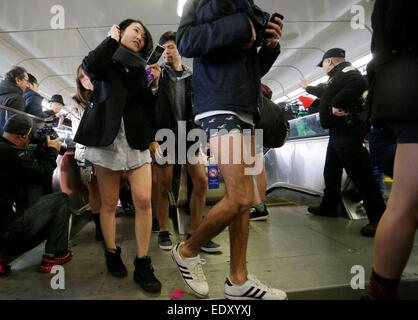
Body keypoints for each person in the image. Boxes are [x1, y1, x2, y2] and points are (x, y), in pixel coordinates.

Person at [172, 0, 287, 299]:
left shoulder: (245, 6)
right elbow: (185, 41)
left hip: (245, 106)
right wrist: (244, 27)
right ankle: (187, 250)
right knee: (241, 196)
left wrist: (269, 46)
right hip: (219, 105)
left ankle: (238, 279)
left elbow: (251, 71)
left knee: (245, 198)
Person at [73, 19, 162, 293]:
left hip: (135, 139)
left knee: (144, 200)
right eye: (136, 30)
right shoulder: (105, 62)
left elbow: (146, 105)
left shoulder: (139, 68)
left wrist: (154, 85)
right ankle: (112, 252)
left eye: (144, 35)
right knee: (109, 203)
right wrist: (110, 40)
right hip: (107, 139)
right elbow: (89, 64)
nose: (141, 37)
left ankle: (143, 261)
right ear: (120, 31)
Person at [362, 0, 418, 300]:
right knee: (405, 203)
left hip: (399, 98)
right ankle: (379, 294)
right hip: (410, 99)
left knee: (404, 204)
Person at [302, 48, 386, 237]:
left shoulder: (348, 72)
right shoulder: (336, 77)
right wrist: (309, 89)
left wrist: (336, 104)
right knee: (331, 171)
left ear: (329, 61)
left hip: (347, 131)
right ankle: (329, 206)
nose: (322, 67)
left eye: (322, 63)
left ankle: (379, 218)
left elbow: (359, 83)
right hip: (337, 132)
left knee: (361, 173)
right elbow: (325, 92)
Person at [152, 30, 221, 253]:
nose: (166, 52)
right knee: (163, 185)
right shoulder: (156, 74)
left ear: (180, 48)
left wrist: (207, 137)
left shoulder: (193, 76)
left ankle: (195, 232)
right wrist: (151, 82)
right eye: (162, 49)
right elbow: (144, 101)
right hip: (165, 134)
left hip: (190, 134)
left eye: (170, 46)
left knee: (200, 181)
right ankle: (163, 230)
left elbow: (203, 107)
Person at [0, 114, 72, 275]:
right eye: (30, 137)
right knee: (61, 200)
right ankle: (54, 255)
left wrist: (40, 153)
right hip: (9, 235)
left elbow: (29, 174)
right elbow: (43, 174)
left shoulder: (5, 151)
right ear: (21, 136)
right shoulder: (13, 155)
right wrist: (52, 150)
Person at [69, 65, 103, 242]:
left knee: (109, 191)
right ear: (79, 81)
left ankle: (107, 223)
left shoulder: (106, 94)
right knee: (94, 191)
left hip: (107, 152)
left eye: (88, 76)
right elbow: (79, 134)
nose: (86, 80)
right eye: (82, 78)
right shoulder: (75, 103)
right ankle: (99, 227)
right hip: (86, 154)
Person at [0, 66, 29, 135]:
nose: (27, 85)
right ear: (18, 80)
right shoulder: (17, 99)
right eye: (26, 81)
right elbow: (13, 130)